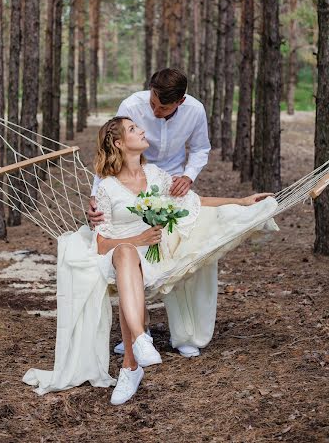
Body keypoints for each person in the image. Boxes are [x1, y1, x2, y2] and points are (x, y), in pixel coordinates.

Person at [23, 117, 277, 405]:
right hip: (118, 254)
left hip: (157, 258)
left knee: (129, 263)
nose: (142, 131)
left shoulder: (156, 175)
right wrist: (138, 240)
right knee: (125, 254)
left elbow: (196, 201)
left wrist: (242, 201)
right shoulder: (105, 188)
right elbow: (102, 242)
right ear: (119, 143)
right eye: (133, 129)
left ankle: (131, 365)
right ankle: (140, 341)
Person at [89, 68, 212, 359]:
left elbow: (200, 149)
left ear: (180, 102)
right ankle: (136, 335)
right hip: (129, 180)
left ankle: (184, 334)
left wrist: (189, 176)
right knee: (131, 251)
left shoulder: (195, 111)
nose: (155, 110)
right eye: (153, 102)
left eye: (163, 107)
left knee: (182, 253)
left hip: (170, 184)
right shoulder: (132, 105)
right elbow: (112, 147)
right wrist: (96, 198)